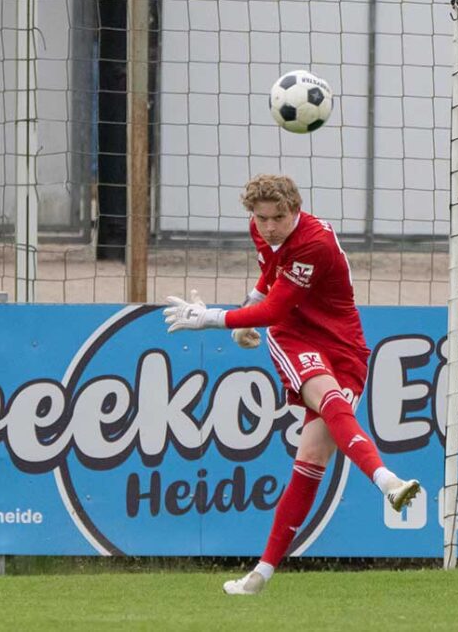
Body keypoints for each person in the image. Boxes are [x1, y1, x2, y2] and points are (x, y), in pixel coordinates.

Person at [163, 173, 421, 596]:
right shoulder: (262, 230)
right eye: (261, 218)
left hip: (345, 346)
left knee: (313, 456)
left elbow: (276, 303)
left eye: (277, 218)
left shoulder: (314, 243)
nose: (268, 227)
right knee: (330, 400)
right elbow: (270, 280)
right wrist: (248, 304)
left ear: (295, 209)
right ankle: (387, 481)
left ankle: (260, 575)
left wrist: (212, 318)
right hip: (295, 336)